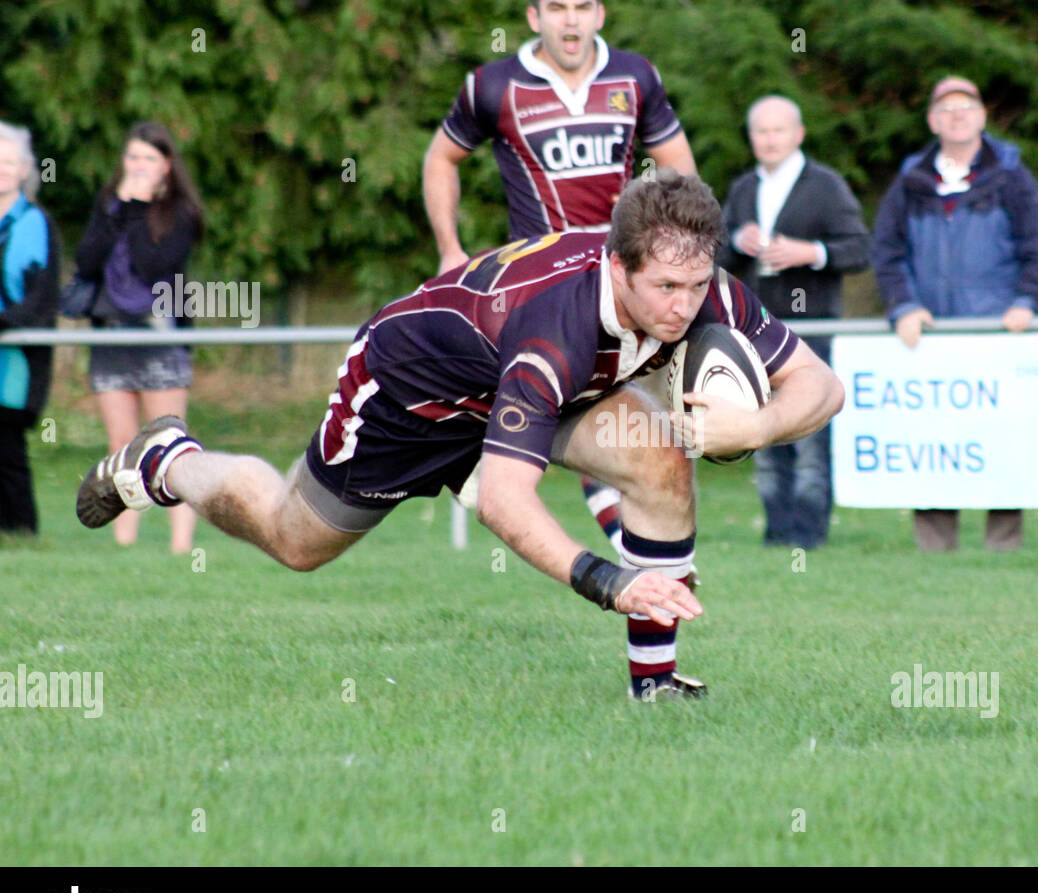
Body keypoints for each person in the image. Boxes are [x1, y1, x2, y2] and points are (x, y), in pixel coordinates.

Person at [76, 172, 844, 701]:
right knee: (293, 540)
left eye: (697, 286)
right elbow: (506, 503)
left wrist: (758, 424)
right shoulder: (555, 330)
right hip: (410, 395)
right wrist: (610, 583)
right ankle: (171, 461)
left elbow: (823, 386)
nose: (684, 308)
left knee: (657, 462)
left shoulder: (704, 289)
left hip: (529, 391)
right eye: (664, 289)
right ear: (617, 267)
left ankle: (657, 688)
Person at [423, 0, 697, 547]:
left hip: (623, 276)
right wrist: (450, 250)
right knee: (589, 400)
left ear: (599, 13)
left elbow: (679, 168)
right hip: (544, 284)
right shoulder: (492, 86)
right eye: (556, 8)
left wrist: (679, 254)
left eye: (581, 7)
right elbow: (441, 158)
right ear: (533, 17)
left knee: (627, 418)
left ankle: (635, 544)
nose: (569, 21)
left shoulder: (635, 76)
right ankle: (478, 457)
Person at [870, 76, 1038, 552]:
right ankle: (936, 550)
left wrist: (1025, 302)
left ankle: (1004, 546)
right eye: (946, 108)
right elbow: (887, 251)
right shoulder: (910, 183)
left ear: (982, 117)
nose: (956, 115)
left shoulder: (1012, 176)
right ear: (933, 121)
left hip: (996, 336)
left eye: (966, 106)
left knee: (1001, 441)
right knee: (933, 442)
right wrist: (903, 305)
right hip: (929, 341)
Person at [717, 95, 870, 550]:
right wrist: (735, 242)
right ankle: (775, 534)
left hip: (813, 330)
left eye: (778, 130)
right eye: (760, 131)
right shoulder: (744, 188)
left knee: (808, 441)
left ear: (798, 134)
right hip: (757, 333)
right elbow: (715, 257)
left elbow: (859, 248)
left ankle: (808, 538)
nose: (769, 139)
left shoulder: (825, 186)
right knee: (763, 435)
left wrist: (811, 253)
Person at [73, 121, 204, 553]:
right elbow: (87, 263)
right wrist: (122, 209)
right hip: (111, 337)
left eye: (149, 158)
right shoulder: (110, 204)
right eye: (133, 157)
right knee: (121, 445)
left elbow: (153, 266)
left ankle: (182, 546)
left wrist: (138, 208)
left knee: (171, 444)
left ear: (166, 165)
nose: (139, 166)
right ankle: (124, 544)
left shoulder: (181, 211)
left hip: (159, 337)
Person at [0, 122, 60, 536]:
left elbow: (41, 299)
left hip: (15, 357)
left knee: (6, 448)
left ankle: (21, 530)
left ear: (24, 170)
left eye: (9, 161)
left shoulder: (36, 224)